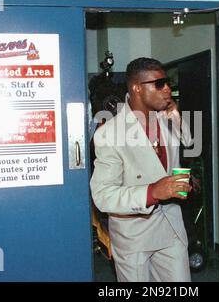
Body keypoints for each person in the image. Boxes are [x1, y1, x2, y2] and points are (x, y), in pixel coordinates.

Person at [90, 57, 193, 282]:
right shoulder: (109, 134)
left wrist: (175, 116)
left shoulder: (166, 118)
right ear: (137, 88)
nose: (167, 89)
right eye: (159, 84)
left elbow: (188, 141)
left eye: (168, 83)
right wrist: (152, 192)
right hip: (134, 233)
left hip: (171, 226)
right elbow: (102, 196)